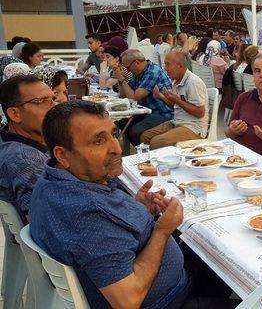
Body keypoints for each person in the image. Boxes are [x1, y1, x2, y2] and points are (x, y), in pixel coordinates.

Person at [30, 100, 239, 308]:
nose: (116, 148)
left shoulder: (54, 180)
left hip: (172, 279)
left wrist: (137, 207)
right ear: (62, 155)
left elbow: (107, 235)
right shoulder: (83, 214)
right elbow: (128, 300)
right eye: (98, 141)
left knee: (229, 258)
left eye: (113, 134)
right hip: (168, 302)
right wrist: (162, 230)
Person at [0, 75, 54, 223]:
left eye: (52, 99)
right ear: (15, 114)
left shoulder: (8, 137)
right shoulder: (26, 159)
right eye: (42, 101)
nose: (54, 107)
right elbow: (45, 224)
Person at [140, 52, 208, 149]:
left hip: (193, 128)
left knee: (157, 141)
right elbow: (176, 107)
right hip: (177, 122)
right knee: (145, 137)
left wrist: (176, 99)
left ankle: (160, 163)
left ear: (180, 66)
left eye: (167, 64)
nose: (165, 68)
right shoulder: (176, 81)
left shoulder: (193, 82)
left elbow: (200, 112)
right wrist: (161, 97)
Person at [114, 49, 174, 145]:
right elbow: (123, 95)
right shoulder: (139, 73)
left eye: (128, 68)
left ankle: (146, 153)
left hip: (163, 112)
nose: (127, 71)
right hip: (148, 111)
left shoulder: (153, 72)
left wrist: (122, 79)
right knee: (123, 122)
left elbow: (134, 97)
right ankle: (139, 150)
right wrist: (120, 79)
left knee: (136, 131)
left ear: (136, 63)